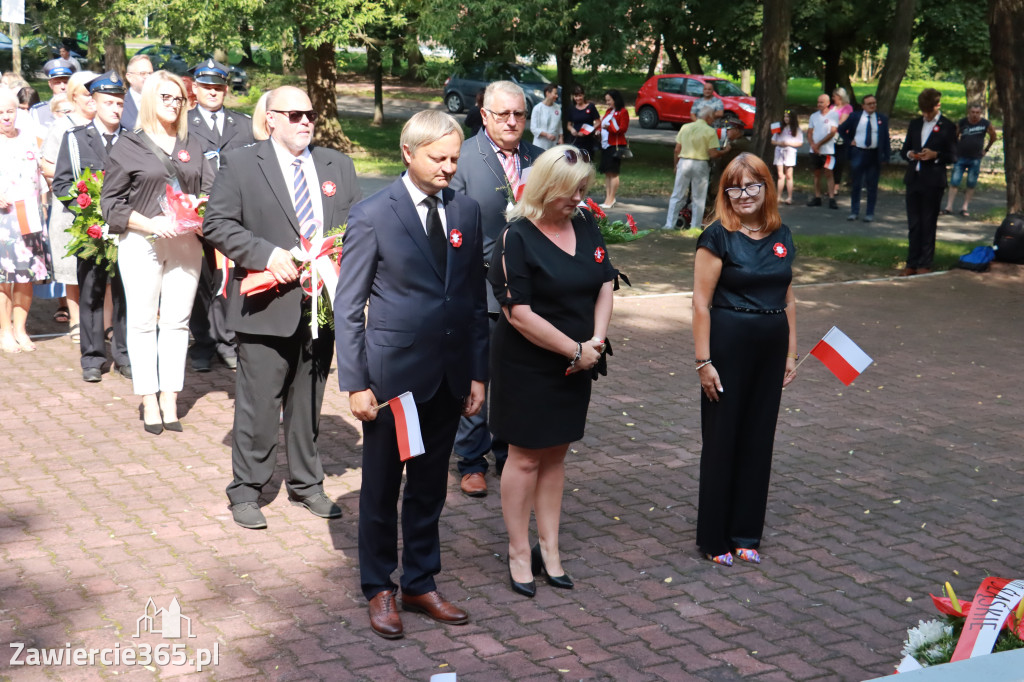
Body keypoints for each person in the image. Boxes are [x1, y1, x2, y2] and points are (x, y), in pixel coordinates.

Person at [334, 110, 488, 639]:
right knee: (381, 487)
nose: (449, 167)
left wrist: (477, 373)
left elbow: (470, 300)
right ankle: (379, 585)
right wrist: (355, 382)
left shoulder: (466, 210)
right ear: (409, 152)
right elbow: (348, 305)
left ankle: (420, 581)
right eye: (438, 158)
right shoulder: (374, 214)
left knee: (429, 487)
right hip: (392, 379)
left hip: (448, 376)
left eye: (454, 158)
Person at [202, 85, 360, 528]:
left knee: (308, 400)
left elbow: (356, 226)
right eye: (293, 115)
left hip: (320, 303)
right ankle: (247, 489)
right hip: (265, 301)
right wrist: (266, 254)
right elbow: (217, 223)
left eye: (309, 114)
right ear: (269, 118)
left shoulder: (337, 165)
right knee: (258, 403)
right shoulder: (241, 163)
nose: (304, 121)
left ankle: (306, 484)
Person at [489, 145, 614, 597]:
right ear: (548, 188)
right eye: (573, 191)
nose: (580, 198)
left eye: (584, 189)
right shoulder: (516, 237)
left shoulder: (585, 223)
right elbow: (517, 312)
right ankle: (519, 550)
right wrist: (573, 350)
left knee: (556, 456)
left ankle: (550, 547)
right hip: (529, 364)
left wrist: (595, 342)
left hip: (578, 360)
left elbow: (604, 282)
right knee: (524, 457)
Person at [692, 152, 798, 567]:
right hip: (728, 346)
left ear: (767, 188)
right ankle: (715, 538)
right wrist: (704, 362)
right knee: (723, 440)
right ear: (726, 193)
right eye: (735, 187)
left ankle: (745, 533)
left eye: (753, 185)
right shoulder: (716, 237)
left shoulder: (783, 234)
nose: (744, 194)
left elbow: (788, 296)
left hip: (771, 348)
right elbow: (701, 304)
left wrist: (791, 351)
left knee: (759, 439)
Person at [100, 70, 214, 434]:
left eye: (178, 97)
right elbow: (110, 204)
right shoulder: (128, 145)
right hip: (142, 241)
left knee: (178, 322)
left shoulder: (191, 143)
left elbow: (212, 190)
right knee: (143, 322)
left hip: (186, 240)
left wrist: (201, 207)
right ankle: (148, 398)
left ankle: (170, 396)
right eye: (165, 97)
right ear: (150, 100)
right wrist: (150, 224)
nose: (173, 103)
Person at [449, 80, 543, 498]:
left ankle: (509, 453)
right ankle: (471, 460)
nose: (511, 121)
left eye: (519, 114)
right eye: (502, 113)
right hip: (479, 288)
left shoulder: (539, 160)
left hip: (530, 293)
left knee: (516, 379)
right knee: (478, 377)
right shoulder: (463, 159)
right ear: (484, 114)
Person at [53, 72, 131, 383]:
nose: (115, 108)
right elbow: (62, 182)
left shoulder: (132, 139)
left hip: (126, 229)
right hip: (92, 232)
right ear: (93, 103)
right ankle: (93, 357)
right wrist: (85, 212)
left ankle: (124, 355)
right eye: (108, 102)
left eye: (119, 103)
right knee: (91, 293)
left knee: (126, 294)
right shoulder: (75, 138)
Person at [185, 59, 255, 373]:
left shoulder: (243, 124)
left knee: (228, 280)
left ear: (226, 89)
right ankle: (202, 342)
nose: (213, 92)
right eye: (207, 87)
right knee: (200, 281)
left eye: (218, 87)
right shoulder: (183, 124)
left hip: (232, 217)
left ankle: (228, 341)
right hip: (193, 218)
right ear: (195, 89)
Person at [40, 70, 98, 345]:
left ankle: (105, 324)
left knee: (104, 268)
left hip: (102, 210)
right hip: (69, 209)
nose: (93, 99)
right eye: (87, 93)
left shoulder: (107, 123)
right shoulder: (63, 125)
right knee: (72, 270)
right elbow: (46, 164)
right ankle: (76, 322)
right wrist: (79, 186)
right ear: (74, 96)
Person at [0, 88, 51, 354]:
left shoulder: (31, 138)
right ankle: (4, 330)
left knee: (27, 275)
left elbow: (43, 171)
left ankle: (21, 328)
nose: (6, 117)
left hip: (30, 216)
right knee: (3, 277)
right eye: (0, 113)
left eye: (10, 111)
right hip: (3, 220)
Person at [899, 88, 956, 276]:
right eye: (923, 111)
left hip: (933, 180)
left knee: (928, 222)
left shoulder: (947, 126)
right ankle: (911, 262)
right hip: (914, 178)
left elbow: (953, 155)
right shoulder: (915, 124)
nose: (926, 115)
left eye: (929, 111)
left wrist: (936, 155)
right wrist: (910, 154)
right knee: (914, 223)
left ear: (937, 105)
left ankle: (925, 262)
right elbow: (905, 149)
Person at [664, 99, 728, 229]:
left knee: (677, 194)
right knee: (698, 197)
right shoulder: (710, 131)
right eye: (713, 118)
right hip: (700, 164)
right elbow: (713, 154)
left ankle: (669, 224)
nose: (713, 120)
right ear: (708, 117)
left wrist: (676, 165)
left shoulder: (685, 127)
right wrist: (725, 151)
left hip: (684, 162)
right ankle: (695, 226)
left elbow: (677, 149)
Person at [838, 93, 890, 222]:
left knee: (872, 185)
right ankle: (854, 211)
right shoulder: (855, 117)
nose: (873, 106)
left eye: (874, 103)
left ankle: (869, 213)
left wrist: (886, 156)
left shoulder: (881, 118)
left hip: (874, 154)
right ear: (863, 106)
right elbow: (841, 129)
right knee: (856, 183)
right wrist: (849, 141)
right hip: (858, 153)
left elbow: (886, 139)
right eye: (869, 104)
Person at [943, 103, 998, 218]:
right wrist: (955, 149)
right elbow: (954, 136)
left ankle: (964, 207)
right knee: (954, 181)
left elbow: (993, 136)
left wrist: (986, 149)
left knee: (971, 183)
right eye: (973, 112)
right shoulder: (963, 122)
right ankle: (949, 206)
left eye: (977, 113)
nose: (975, 115)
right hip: (960, 157)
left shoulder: (985, 124)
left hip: (976, 158)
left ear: (981, 113)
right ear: (969, 112)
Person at [806, 94, 838, 209]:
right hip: (814, 150)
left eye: (821, 102)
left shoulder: (833, 115)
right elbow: (809, 132)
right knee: (816, 173)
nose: (819, 104)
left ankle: (831, 198)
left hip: (828, 150)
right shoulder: (814, 116)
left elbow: (832, 132)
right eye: (818, 102)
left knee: (829, 173)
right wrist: (813, 145)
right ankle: (817, 197)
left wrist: (819, 144)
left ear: (828, 103)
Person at [598, 89, 629, 209]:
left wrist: (609, 127)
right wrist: (599, 131)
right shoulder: (608, 111)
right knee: (607, 172)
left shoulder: (623, 112)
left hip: (615, 145)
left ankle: (611, 198)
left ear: (615, 99)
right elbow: (602, 124)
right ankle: (607, 198)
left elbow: (622, 129)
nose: (607, 103)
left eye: (609, 100)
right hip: (606, 145)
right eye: (606, 100)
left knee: (613, 172)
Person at [29, 59, 75, 134]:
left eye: (66, 82)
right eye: (57, 83)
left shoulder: (79, 108)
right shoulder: (38, 111)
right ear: (50, 84)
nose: (62, 87)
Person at [772, 111, 803, 206]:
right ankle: (779, 196)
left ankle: (789, 197)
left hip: (790, 152)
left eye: (788, 117)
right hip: (779, 151)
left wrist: (788, 144)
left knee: (789, 175)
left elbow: (800, 143)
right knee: (780, 175)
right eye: (785, 116)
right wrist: (780, 143)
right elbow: (773, 141)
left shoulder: (796, 129)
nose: (786, 119)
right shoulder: (778, 128)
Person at [564, 85, 600, 156]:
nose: (578, 98)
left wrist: (586, 131)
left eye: (580, 96)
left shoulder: (591, 107)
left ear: (583, 95)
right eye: (576, 96)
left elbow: (598, 122)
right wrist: (572, 130)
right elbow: (568, 125)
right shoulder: (571, 109)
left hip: (588, 140)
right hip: (576, 139)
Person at [121, 55, 153, 131]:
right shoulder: (120, 104)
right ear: (129, 77)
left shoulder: (160, 102)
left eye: (150, 73)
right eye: (143, 73)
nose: (148, 77)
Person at [830, 87, 853, 187]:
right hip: (830, 137)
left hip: (841, 138)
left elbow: (842, 122)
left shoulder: (847, 108)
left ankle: (836, 185)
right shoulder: (832, 107)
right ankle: (829, 185)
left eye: (834, 96)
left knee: (839, 162)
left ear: (839, 97)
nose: (832, 98)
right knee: (829, 162)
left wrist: (831, 125)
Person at [530, 83, 561, 150]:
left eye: (557, 94)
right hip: (540, 144)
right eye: (555, 93)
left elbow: (559, 125)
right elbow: (533, 128)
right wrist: (547, 135)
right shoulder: (537, 108)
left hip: (553, 145)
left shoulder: (557, 108)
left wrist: (561, 138)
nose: (557, 96)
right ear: (547, 93)